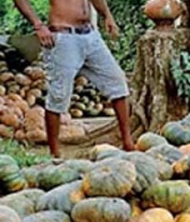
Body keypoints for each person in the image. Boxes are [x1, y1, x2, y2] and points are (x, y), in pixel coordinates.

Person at [13, 0, 135, 157]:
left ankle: (128, 142)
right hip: (63, 37)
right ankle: (55, 154)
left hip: (91, 36)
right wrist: (38, 25)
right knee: (58, 95)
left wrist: (107, 16)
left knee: (117, 82)